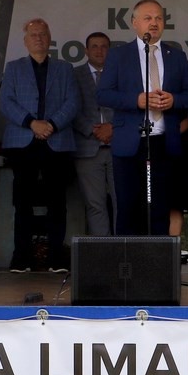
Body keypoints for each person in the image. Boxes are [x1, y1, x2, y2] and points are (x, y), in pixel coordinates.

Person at [97, 0, 188, 236]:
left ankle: (158, 259)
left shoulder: (177, 56)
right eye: (148, 18)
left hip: (164, 143)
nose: (154, 23)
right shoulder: (118, 55)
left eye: (158, 18)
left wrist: (174, 100)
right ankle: (128, 259)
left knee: (160, 209)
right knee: (128, 208)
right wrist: (137, 100)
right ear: (134, 23)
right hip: (129, 143)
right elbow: (103, 94)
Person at [0, 18, 79, 273]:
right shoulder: (13, 68)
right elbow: (6, 101)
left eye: (43, 34)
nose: (38, 38)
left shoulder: (65, 68)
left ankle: (56, 258)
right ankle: (21, 258)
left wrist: (51, 125)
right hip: (23, 141)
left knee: (57, 201)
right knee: (22, 201)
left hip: (57, 141)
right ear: (25, 41)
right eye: (33, 34)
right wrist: (32, 123)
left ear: (49, 38)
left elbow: (73, 102)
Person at [72, 32, 117, 236]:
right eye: (95, 46)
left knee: (122, 202)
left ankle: (123, 248)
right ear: (86, 50)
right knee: (94, 204)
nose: (99, 51)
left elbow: (129, 106)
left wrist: (113, 127)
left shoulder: (120, 74)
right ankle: (102, 250)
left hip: (118, 147)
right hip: (87, 147)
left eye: (104, 46)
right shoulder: (74, 75)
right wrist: (92, 129)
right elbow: (70, 109)